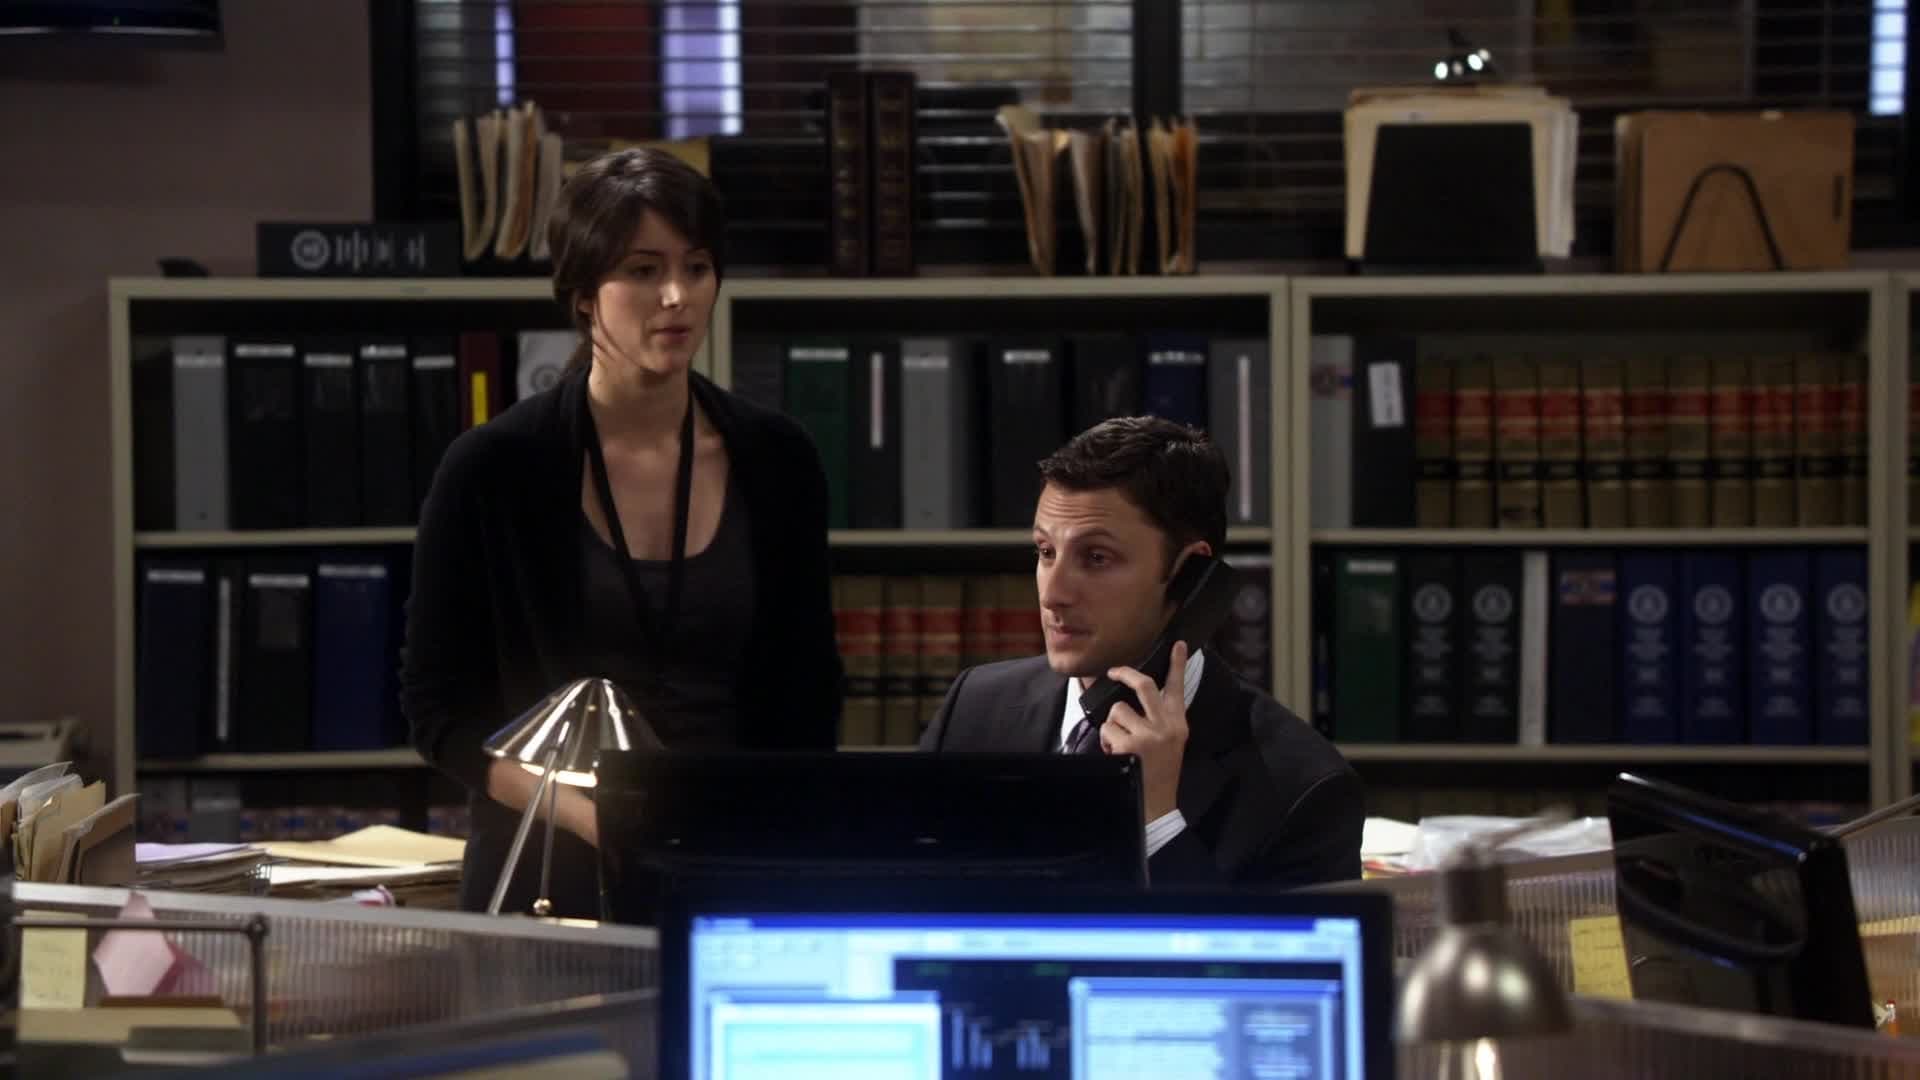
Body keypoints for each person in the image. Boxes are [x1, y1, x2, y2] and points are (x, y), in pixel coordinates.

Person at [402, 148, 843, 918]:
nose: (676, 296)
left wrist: (773, 834)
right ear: (582, 294)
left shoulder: (777, 459)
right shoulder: (493, 468)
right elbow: (439, 714)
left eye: (696, 268)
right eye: (642, 271)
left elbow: (808, 692)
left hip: (735, 862)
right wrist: (591, 817)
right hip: (549, 869)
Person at [919, 417, 1362, 888]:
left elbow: (1259, 944)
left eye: (1096, 558)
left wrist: (1158, 822)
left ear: (1189, 574)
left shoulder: (1304, 789)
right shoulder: (975, 707)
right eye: (1046, 552)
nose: (1053, 594)